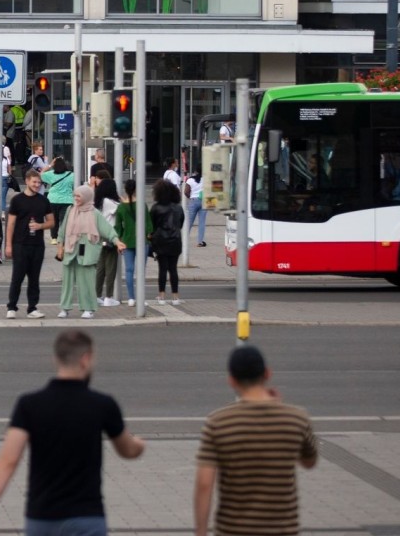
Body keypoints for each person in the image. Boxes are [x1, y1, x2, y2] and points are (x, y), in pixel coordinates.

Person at [0, 330, 146, 536]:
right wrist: (139, 445)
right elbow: (127, 450)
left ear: (56, 359)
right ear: (86, 359)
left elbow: (8, 461)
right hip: (87, 518)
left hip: (42, 519)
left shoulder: (29, 405)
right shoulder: (102, 404)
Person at [195, 345, 318, 536]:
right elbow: (309, 461)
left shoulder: (218, 422)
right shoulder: (296, 418)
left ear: (231, 380)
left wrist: (201, 532)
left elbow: (204, 484)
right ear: (267, 374)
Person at [57, 185, 125, 319]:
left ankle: (88, 308)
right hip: (70, 249)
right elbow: (62, 231)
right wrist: (60, 247)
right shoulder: (71, 210)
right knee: (67, 282)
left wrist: (117, 242)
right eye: (75, 195)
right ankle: (64, 308)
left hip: (87, 250)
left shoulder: (94, 213)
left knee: (87, 281)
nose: (76, 198)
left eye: (79, 196)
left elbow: (107, 230)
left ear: (87, 197)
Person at [4, 169, 56, 320]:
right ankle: (11, 307)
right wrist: (8, 245)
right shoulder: (17, 200)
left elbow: (51, 221)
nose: (37, 185)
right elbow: (11, 224)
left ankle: (32, 308)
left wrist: (40, 226)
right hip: (20, 244)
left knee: (34, 278)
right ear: (26, 181)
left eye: (39, 182)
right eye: (34, 182)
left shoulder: (43, 201)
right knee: (17, 277)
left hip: (37, 245)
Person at [148, 177, 184, 304]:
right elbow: (181, 223)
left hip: (160, 241)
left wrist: (151, 237)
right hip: (175, 241)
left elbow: (151, 226)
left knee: (162, 268)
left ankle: (161, 296)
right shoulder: (178, 208)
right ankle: (175, 296)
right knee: (173, 269)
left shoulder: (156, 208)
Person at [91, 168, 122, 307]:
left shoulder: (98, 202)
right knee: (111, 268)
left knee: (100, 268)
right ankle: (109, 296)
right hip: (109, 237)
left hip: (99, 236)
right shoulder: (109, 202)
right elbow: (122, 208)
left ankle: (97, 294)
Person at [113, 179, 139, 307]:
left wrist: (118, 241)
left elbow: (118, 227)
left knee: (129, 270)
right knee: (141, 270)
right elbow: (149, 225)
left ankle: (131, 298)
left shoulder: (121, 207)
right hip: (141, 241)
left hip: (126, 241)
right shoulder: (141, 205)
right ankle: (140, 296)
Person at [40, 157, 75, 247]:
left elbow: (41, 174)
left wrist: (50, 165)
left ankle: (54, 238)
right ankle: (63, 237)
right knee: (64, 220)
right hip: (67, 200)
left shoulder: (51, 174)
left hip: (53, 200)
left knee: (53, 219)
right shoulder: (71, 175)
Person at [185, 170, 206, 246]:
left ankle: (183, 240)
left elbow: (186, 192)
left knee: (189, 222)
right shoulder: (206, 179)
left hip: (193, 201)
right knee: (202, 222)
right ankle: (200, 242)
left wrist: (190, 197)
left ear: (196, 171)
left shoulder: (190, 180)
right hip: (203, 201)